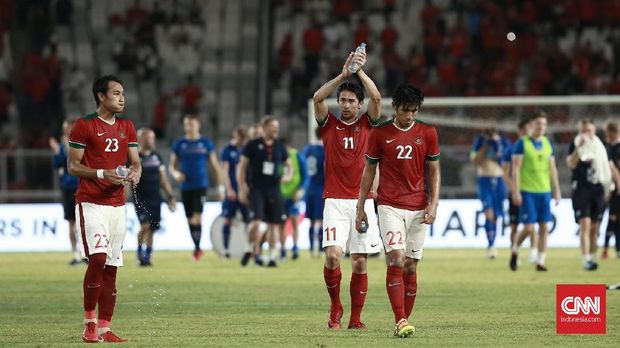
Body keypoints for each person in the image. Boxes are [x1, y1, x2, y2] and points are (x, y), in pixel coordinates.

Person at [355, 83, 439, 338]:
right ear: (395, 107)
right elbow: (369, 170)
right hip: (389, 205)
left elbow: (434, 170)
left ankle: (403, 319)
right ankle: (400, 319)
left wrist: (433, 203)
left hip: (418, 206)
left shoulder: (428, 132)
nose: (410, 115)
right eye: (406, 110)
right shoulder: (380, 133)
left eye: (414, 111)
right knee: (396, 258)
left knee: (411, 266)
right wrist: (362, 206)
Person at [67, 75, 141, 343]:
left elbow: (135, 161)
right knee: (97, 259)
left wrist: (135, 173)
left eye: (123, 93)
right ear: (101, 96)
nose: (122, 97)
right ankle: (89, 322)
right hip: (90, 203)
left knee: (111, 266)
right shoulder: (84, 125)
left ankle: (104, 328)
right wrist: (102, 172)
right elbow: (72, 166)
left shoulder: (127, 126)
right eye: (117, 93)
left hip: (117, 205)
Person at [313, 50, 382, 330]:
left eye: (351, 101)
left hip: (361, 203)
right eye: (342, 100)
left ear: (359, 104)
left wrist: (360, 72)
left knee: (360, 263)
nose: (345, 104)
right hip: (334, 201)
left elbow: (377, 98)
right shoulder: (329, 124)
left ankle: (355, 318)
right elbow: (318, 98)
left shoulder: (368, 124)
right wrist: (343, 75)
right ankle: (335, 307)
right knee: (332, 255)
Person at [510, 112, 562, 272]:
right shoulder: (522, 143)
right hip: (527, 191)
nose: (541, 127)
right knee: (529, 228)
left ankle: (540, 261)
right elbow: (516, 169)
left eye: (544, 124)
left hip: (544, 191)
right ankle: (515, 249)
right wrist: (516, 191)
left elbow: (552, 168)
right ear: (532, 125)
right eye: (538, 124)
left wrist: (557, 190)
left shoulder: (547, 143)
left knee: (544, 227)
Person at [237, 116, 292, 267]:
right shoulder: (253, 145)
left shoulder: (280, 146)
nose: (276, 130)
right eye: (273, 127)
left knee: (274, 224)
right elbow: (242, 167)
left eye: (277, 127)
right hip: (257, 189)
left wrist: (288, 176)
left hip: (274, 189)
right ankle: (249, 249)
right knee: (255, 222)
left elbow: (289, 165)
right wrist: (242, 188)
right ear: (265, 127)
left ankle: (272, 257)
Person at [169, 114, 224, 261]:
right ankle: (197, 247)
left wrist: (220, 187)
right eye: (187, 124)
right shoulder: (179, 144)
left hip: (201, 185)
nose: (189, 127)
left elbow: (215, 166)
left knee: (197, 217)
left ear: (198, 125)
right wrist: (176, 174)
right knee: (189, 219)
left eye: (192, 124)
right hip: (185, 186)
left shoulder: (205, 143)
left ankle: (197, 248)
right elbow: (171, 166)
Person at [566, 119, 616, 270]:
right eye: (583, 130)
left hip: (598, 188)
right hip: (582, 189)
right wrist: (579, 148)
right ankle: (586, 259)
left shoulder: (601, 147)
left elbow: (608, 167)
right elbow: (571, 163)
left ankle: (592, 257)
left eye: (588, 130)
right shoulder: (575, 144)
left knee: (595, 227)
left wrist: (611, 186)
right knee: (585, 224)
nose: (586, 133)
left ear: (594, 131)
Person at [134, 128, 176, 266]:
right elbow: (128, 180)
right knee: (144, 226)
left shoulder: (157, 156)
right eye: (149, 138)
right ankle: (139, 252)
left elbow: (163, 179)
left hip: (155, 198)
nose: (152, 141)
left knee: (152, 228)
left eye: (153, 138)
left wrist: (170, 195)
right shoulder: (134, 157)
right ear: (141, 139)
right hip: (140, 198)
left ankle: (148, 256)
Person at [470, 127, 510, 258]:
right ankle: (491, 245)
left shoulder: (503, 143)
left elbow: (507, 161)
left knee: (497, 215)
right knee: (489, 213)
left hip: (499, 181)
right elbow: (475, 161)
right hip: (485, 181)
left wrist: (498, 147)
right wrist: (486, 145)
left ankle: (493, 244)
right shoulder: (479, 143)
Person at [502, 119, 537, 262]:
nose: (528, 132)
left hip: (531, 191)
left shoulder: (534, 147)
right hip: (516, 192)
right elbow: (506, 173)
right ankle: (514, 253)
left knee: (532, 225)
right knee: (514, 225)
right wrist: (514, 189)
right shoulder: (511, 149)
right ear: (520, 131)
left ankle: (534, 254)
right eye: (526, 130)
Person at [50, 118, 82, 265]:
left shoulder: (81, 143)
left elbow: (79, 160)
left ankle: (85, 253)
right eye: (67, 127)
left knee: (84, 222)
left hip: (82, 187)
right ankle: (75, 254)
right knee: (71, 222)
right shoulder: (62, 146)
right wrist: (57, 151)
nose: (69, 130)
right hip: (68, 188)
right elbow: (56, 165)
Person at [220, 126, 250, 258]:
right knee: (227, 219)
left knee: (247, 220)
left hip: (243, 191)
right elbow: (225, 171)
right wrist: (229, 189)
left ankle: (247, 249)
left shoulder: (245, 149)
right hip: (232, 191)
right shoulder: (227, 150)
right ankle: (226, 249)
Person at [279, 140, 307, 260]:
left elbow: (306, 176)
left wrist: (301, 190)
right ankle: (283, 250)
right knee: (281, 224)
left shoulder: (297, 155)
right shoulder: (276, 157)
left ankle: (295, 248)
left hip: (294, 196)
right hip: (280, 196)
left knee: (295, 222)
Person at [302, 127, 326, 257]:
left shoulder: (307, 149)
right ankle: (321, 251)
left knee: (311, 221)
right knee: (322, 221)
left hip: (309, 189)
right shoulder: (325, 150)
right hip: (321, 188)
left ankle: (311, 250)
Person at [603, 120, 620, 259]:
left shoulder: (615, 147)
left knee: (614, 218)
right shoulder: (606, 147)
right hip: (611, 187)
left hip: (615, 187)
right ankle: (606, 248)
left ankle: (613, 249)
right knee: (612, 218)